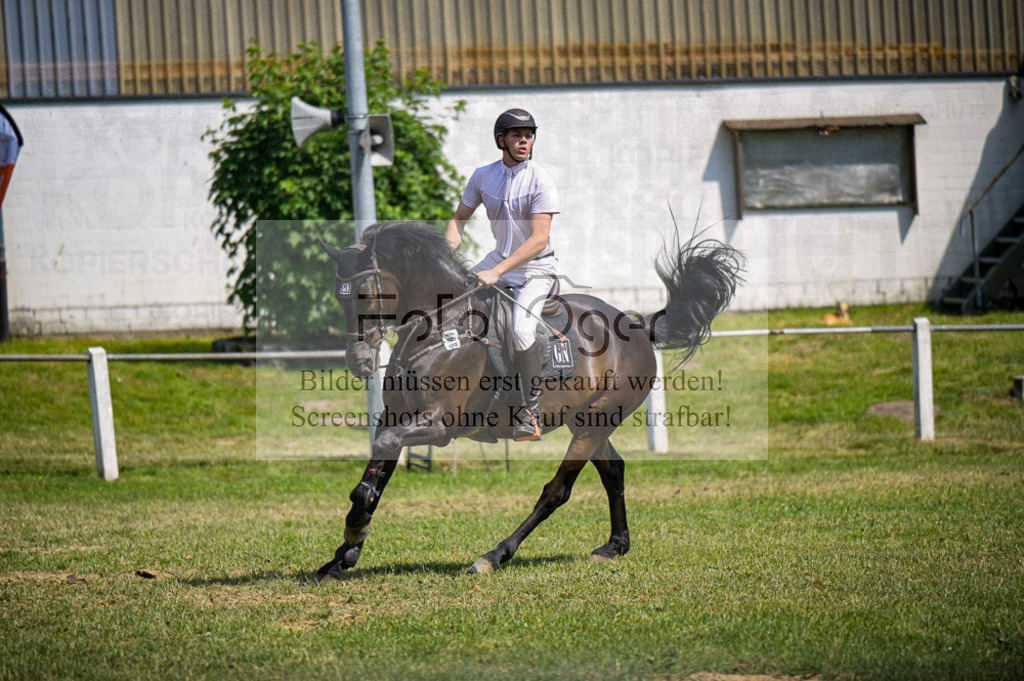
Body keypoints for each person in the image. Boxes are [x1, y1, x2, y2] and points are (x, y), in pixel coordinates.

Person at [446, 108, 559, 441]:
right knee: (450, 303)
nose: (524, 140)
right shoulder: (483, 176)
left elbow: (539, 240)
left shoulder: (540, 179)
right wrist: (444, 253)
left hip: (536, 268)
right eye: (516, 135)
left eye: (529, 135)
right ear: (501, 141)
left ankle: (530, 412)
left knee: (522, 331)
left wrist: (496, 271)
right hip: (499, 260)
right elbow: (459, 219)